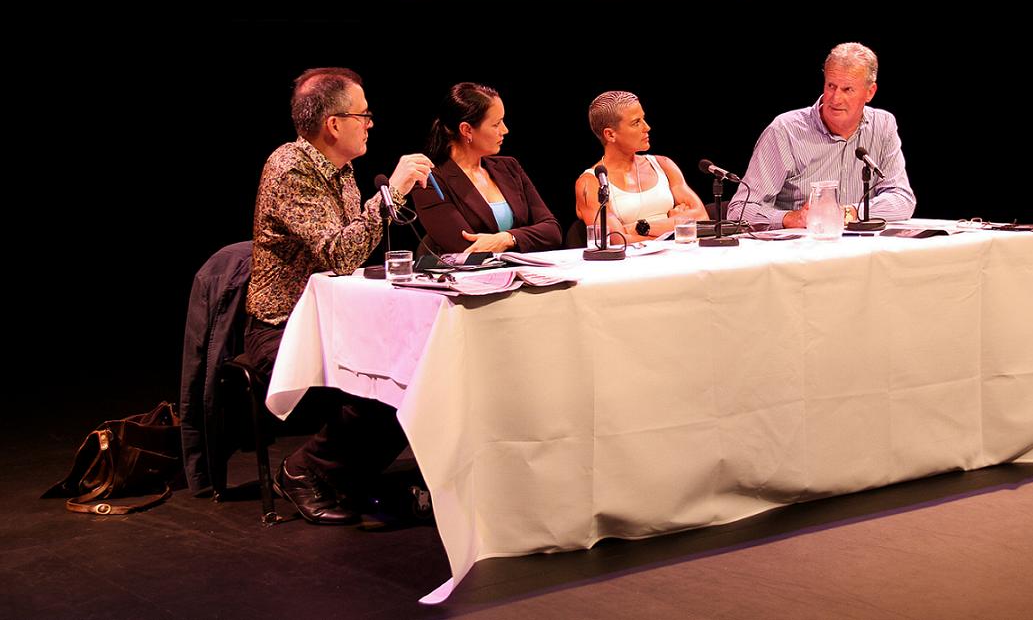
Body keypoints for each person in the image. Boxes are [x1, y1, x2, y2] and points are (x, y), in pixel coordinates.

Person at [245, 67, 433, 524]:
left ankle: (341, 477)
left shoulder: (342, 170)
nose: (370, 123)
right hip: (283, 328)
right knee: (382, 385)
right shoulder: (290, 168)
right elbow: (341, 252)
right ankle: (301, 471)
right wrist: (391, 192)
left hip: (333, 319)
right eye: (363, 114)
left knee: (416, 371)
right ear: (334, 124)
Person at [728, 42, 915, 228]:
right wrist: (792, 218)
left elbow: (902, 199)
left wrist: (850, 212)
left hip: (859, 247)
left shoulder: (882, 125)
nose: (835, 98)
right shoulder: (785, 131)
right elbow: (739, 210)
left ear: (870, 92)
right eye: (831, 86)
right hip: (799, 250)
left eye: (847, 89)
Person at [412, 82, 562, 254]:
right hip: (463, 279)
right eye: (496, 124)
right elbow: (468, 248)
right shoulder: (430, 180)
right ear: (467, 129)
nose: (505, 130)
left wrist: (507, 238)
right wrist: (522, 239)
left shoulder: (509, 167)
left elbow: (552, 231)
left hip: (521, 274)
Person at [575, 91, 707, 243]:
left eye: (643, 119)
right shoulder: (591, 183)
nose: (647, 127)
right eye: (636, 122)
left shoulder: (663, 165)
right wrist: (677, 223)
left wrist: (640, 227)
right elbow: (616, 240)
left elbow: (702, 218)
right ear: (610, 135)